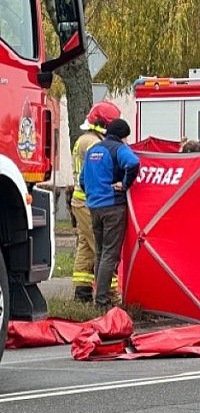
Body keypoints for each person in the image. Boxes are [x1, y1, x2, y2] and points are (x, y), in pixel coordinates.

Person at [79, 119, 140, 310]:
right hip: (113, 206)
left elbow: (82, 179)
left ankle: (100, 296)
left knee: (99, 252)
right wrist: (124, 184)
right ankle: (102, 301)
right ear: (123, 135)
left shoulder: (93, 150)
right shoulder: (118, 148)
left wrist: (94, 193)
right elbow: (133, 163)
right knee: (110, 255)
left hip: (94, 206)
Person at [70, 101, 121, 303]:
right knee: (103, 248)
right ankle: (110, 295)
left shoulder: (84, 139)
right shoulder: (94, 143)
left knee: (86, 246)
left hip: (80, 201)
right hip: (89, 202)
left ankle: (81, 293)